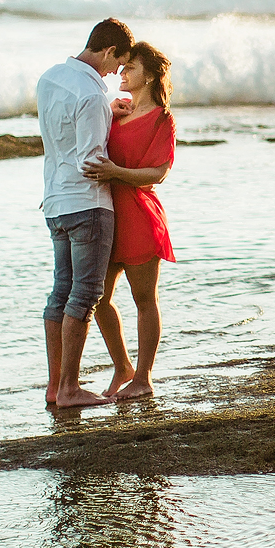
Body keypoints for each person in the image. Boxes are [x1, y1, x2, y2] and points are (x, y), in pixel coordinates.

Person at [37, 18, 134, 407]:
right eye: (117, 63)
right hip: (88, 205)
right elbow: (91, 161)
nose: (115, 74)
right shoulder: (93, 96)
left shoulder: (50, 78)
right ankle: (70, 389)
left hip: (55, 201)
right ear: (109, 51)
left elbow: (62, 133)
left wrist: (105, 113)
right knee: (86, 294)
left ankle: (54, 386)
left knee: (60, 292)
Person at [84, 41, 177, 401]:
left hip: (138, 213)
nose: (122, 73)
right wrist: (109, 114)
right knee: (98, 298)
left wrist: (115, 171)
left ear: (150, 75)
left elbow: (158, 172)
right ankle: (122, 365)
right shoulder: (119, 111)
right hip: (107, 213)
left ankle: (143, 377)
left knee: (144, 299)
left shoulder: (162, 118)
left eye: (130, 68)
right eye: (122, 68)